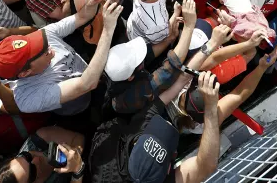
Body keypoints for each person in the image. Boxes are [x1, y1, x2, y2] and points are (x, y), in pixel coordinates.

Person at [0, 0, 121, 115]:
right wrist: (108, 29)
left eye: (35, 42)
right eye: (39, 51)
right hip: (81, 109)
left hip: (96, 78)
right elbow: (86, 84)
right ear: (25, 73)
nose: (48, 46)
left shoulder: (45, 34)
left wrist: (91, 3)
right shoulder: (28, 96)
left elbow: (82, 16)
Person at [89, 71, 222, 183]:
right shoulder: (133, 135)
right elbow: (205, 166)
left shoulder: (115, 142)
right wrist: (210, 109)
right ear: (167, 171)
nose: (169, 123)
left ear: (135, 143)